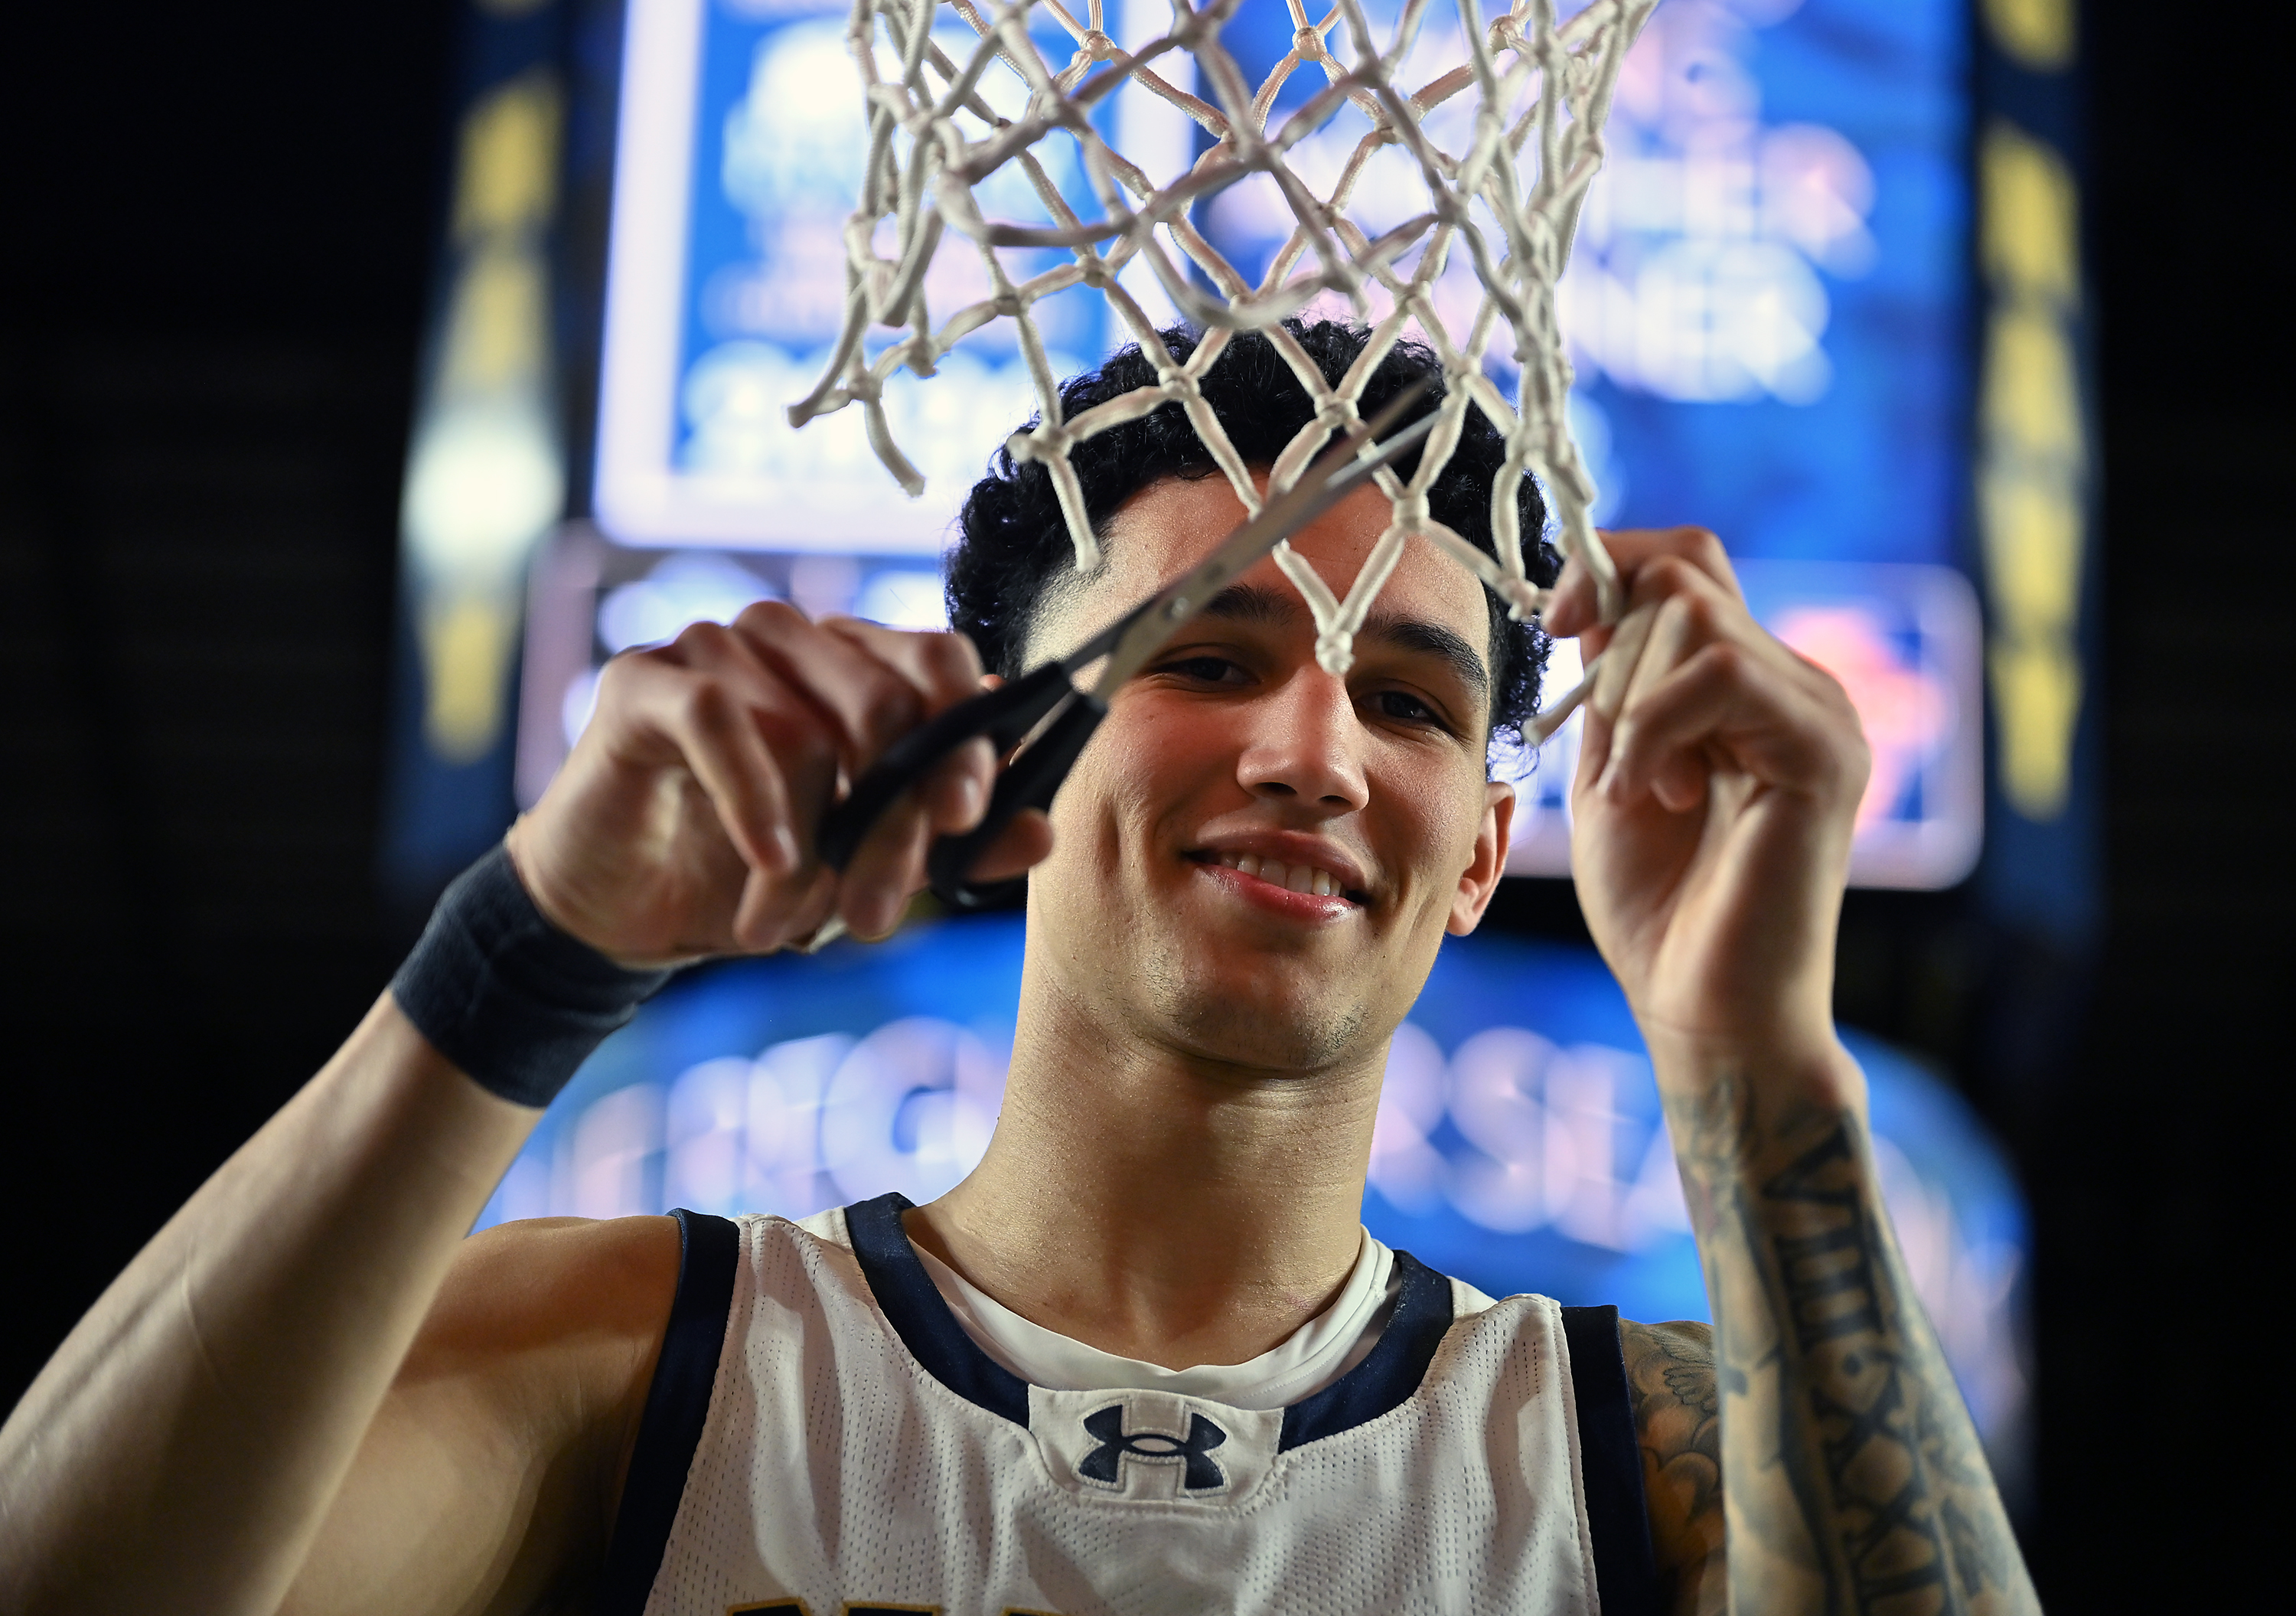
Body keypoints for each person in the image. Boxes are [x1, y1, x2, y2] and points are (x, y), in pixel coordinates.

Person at [0, 322, 2037, 1615]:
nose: (1314, 749)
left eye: (1411, 704)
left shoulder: (1636, 1447)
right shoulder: (645, 1355)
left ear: (1488, 844)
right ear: (1015, 747)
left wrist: (1756, 1049)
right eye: (1209, 660)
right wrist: (525, 954)